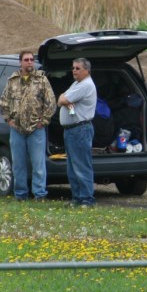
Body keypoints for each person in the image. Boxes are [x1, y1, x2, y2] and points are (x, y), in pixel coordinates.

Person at [0, 50, 56, 201]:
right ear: (20, 62)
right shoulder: (13, 81)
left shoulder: (41, 80)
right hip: (17, 129)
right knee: (18, 165)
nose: (30, 62)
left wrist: (42, 121)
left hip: (35, 129)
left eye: (31, 59)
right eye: (26, 60)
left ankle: (40, 194)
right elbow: (3, 103)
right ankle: (20, 194)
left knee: (38, 164)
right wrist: (8, 120)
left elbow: (51, 103)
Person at [57, 57, 97, 207]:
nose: (74, 70)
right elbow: (61, 99)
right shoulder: (76, 83)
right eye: (73, 68)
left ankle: (87, 199)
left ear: (86, 70)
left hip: (80, 130)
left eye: (78, 68)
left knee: (81, 165)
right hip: (71, 130)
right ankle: (77, 198)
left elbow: (62, 99)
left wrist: (64, 100)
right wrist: (65, 101)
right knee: (72, 166)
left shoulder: (85, 85)